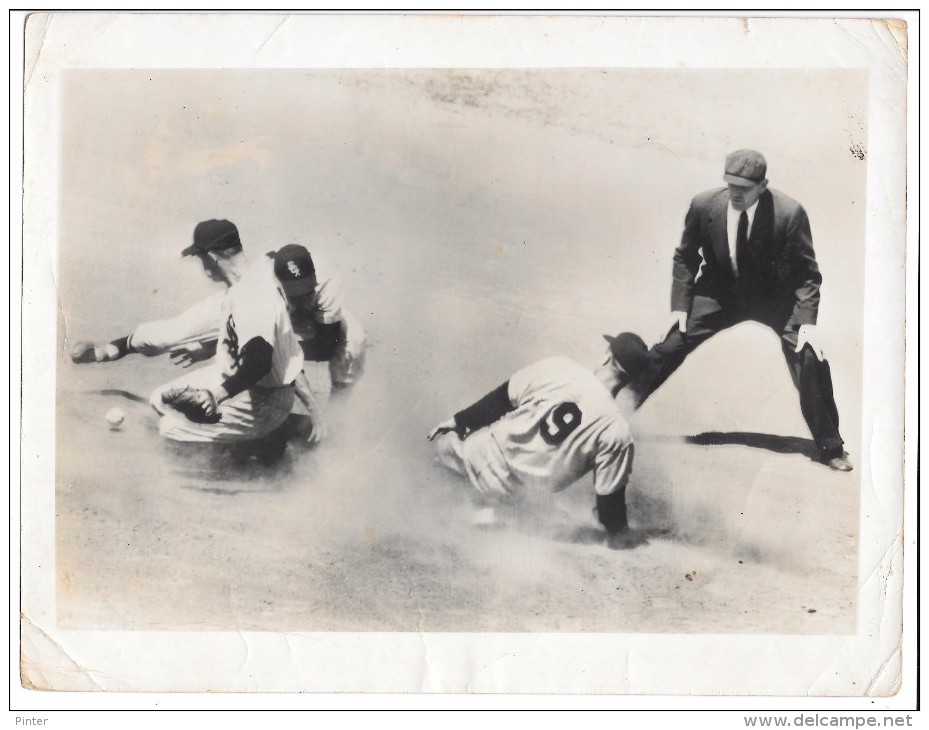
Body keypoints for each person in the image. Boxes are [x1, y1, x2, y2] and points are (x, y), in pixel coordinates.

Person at [625, 149, 852, 472]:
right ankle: (615, 412)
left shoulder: (789, 213)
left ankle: (831, 446)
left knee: (808, 356)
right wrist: (679, 307)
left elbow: (807, 274)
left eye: (743, 188)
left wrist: (807, 323)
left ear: (763, 186)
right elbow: (685, 257)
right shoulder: (704, 205)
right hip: (719, 294)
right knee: (671, 343)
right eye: (730, 184)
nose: (735, 193)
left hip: (775, 300)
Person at [70, 219, 324, 452]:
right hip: (245, 368)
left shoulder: (254, 298)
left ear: (212, 258)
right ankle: (120, 346)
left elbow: (263, 360)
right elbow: (276, 347)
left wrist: (216, 394)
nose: (202, 266)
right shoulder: (251, 279)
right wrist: (212, 346)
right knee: (160, 396)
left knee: (170, 428)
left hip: (263, 398)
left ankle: (265, 444)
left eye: (201, 258)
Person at [427, 333, 651, 550]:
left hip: (477, 452)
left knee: (441, 451)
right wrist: (620, 532)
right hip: (511, 494)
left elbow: (502, 398)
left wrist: (459, 421)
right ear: (632, 379)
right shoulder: (617, 430)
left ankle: (441, 503)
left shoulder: (562, 367)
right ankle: (485, 513)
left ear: (606, 357)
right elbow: (608, 503)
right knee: (538, 514)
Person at [268, 243, 367, 391]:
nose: (302, 297)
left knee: (354, 339)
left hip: (314, 314)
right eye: (295, 293)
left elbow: (326, 348)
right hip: (278, 311)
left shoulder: (328, 282)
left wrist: (283, 352)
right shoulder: (262, 284)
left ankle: (338, 408)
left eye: (306, 290)